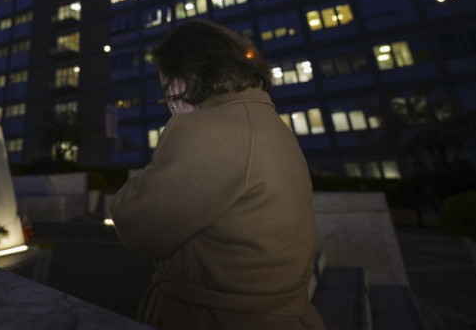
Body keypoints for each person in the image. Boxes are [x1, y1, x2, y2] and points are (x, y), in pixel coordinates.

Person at [109, 20, 325, 330]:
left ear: (185, 73)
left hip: (216, 318)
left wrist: (179, 125)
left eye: (167, 85)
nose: (168, 98)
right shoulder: (271, 123)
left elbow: (137, 224)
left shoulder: (206, 128)